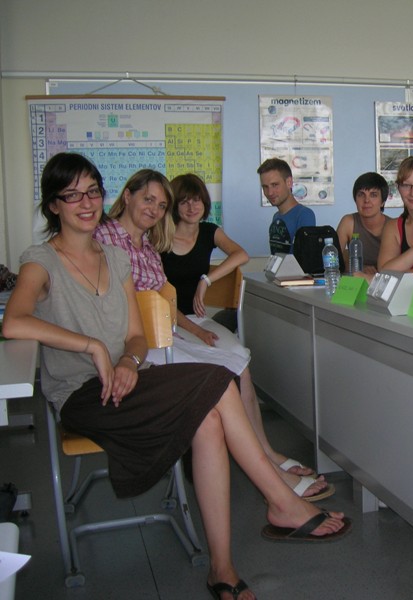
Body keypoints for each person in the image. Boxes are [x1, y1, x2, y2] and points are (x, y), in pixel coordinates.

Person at [3, 153, 350, 600]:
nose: (86, 203)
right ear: (54, 204)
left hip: (132, 378)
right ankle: (280, 502)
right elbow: (14, 321)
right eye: (72, 195)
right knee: (216, 385)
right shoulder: (41, 260)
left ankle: (223, 569)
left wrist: (127, 362)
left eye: (92, 192)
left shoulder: (116, 257)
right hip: (82, 392)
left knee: (211, 406)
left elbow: (136, 336)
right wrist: (92, 347)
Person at [94, 169, 331, 502]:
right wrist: (190, 329)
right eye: (150, 200)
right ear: (128, 196)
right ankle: (271, 475)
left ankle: (268, 456)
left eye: (160, 204)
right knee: (221, 376)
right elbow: (138, 304)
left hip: (168, 331)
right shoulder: (113, 238)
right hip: (141, 344)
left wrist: (200, 305)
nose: (156, 210)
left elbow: (163, 299)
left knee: (238, 363)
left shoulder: (147, 244)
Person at [162, 173, 243, 330]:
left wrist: (206, 280)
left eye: (196, 200)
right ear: (174, 206)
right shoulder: (161, 238)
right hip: (167, 320)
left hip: (197, 319)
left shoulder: (209, 231)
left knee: (232, 346)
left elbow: (241, 255)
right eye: (184, 202)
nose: (192, 208)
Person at [257, 158, 315, 255]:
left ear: (289, 182)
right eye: (265, 187)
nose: (270, 192)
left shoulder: (304, 215)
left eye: (275, 185)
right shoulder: (276, 217)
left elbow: (306, 258)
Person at [336, 172, 388, 276]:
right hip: (357, 280)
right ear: (355, 200)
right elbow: (334, 260)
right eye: (361, 195)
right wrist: (359, 268)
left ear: (383, 201)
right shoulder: (348, 222)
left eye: (373, 195)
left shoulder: (393, 226)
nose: (366, 200)